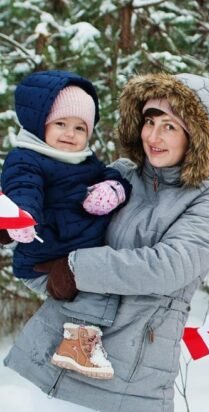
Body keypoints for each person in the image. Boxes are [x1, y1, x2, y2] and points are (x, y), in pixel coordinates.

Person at [4, 72, 209, 412]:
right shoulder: (119, 174)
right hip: (65, 345)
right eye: (149, 121)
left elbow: (167, 267)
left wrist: (76, 267)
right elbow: (56, 236)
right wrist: (41, 267)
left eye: (170, 127)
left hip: (135, 365)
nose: (154, 137)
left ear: (196, 135)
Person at [0, 70, 132, 380]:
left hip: (74, 252)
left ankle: (77, 342)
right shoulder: (28, 159)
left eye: (80, 127)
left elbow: (109, 174)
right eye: (60, 124)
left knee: (100, 284)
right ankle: (78, 346)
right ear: (40, 124)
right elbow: (23, 188)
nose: (70, 134)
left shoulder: (84, 160)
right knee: (94, 290)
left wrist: (112, 189)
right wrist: (22, 217)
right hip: (44, 257)